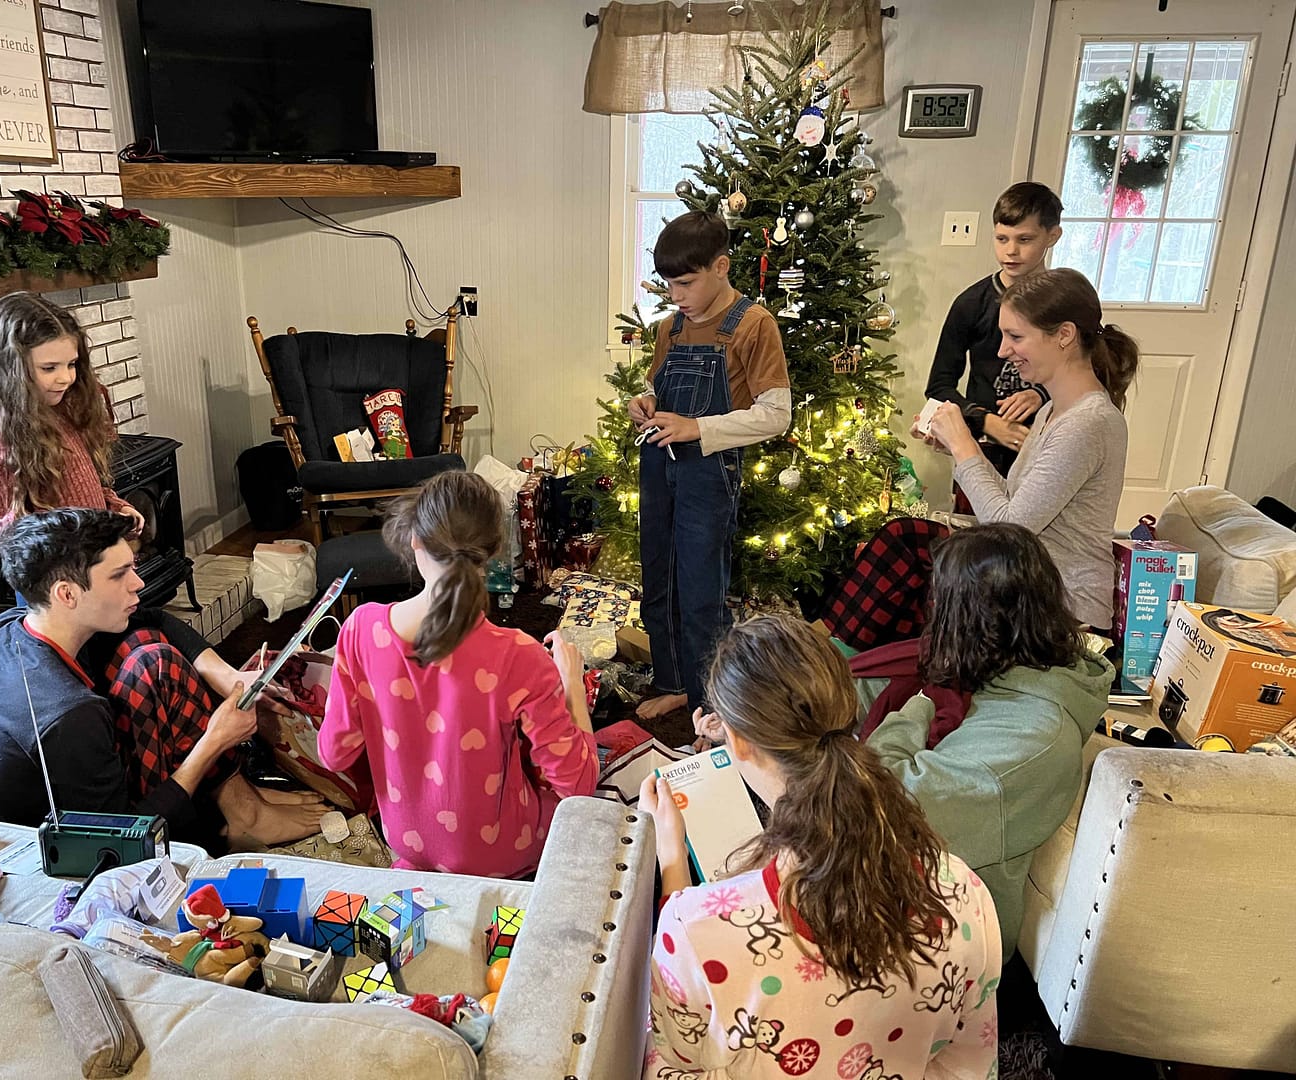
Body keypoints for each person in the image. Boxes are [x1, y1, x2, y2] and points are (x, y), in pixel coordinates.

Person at [641, 614, 999, 1079]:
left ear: (738, 743)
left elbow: (673, 1065)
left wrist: (672, 862)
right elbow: (970, 1062)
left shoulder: (695, 925)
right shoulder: (965, 894)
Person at [0, 508, 328, 850]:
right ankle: (234, 814)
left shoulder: (7, 627)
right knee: (153, 663)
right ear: (67, 594)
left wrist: (227, 675)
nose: (138, 583)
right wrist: (214, 741)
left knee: (150, 652)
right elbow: (122, 842)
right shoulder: (70, 714)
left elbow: (155, 620)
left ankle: (243, 804)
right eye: (119, 575)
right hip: (38, 857)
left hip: (74, 802)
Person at [318, 471, 598, 878]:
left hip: (406, 842)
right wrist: (571, 683)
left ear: (415, 537)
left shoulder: (360, 629)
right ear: (493, 550)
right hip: (500, 854)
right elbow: (578, 786)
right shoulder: (519, 654)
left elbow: (334, 753)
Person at [860, 523, 1112, 962]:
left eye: (940, 602)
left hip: (939, 948)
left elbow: (875, 797)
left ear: (966, 616)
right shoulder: (1009, 672)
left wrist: (919, 705)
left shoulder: (1027, 738)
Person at [627, 211, 791, 723]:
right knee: (659, 574)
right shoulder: (670, 328)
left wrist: (699, 428)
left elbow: (775, 415)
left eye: (686, 282)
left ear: (721, 267)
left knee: (701, 587)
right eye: (669, 284)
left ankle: (710, 702)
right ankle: (674, 681)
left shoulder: (753, 325)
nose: (676, 294)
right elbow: (660, 386)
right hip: (659, 461)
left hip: (708, 471)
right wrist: (645, 400)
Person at [919, 267, 1137, 630]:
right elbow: (1010, 501)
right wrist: (959, 447)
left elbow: (1010, 529)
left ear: (1064, 335)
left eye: (1015, 336)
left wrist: (964, 445)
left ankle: (828, 671)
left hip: (1064, 612)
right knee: (911, 541)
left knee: (908, 545)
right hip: (1024, 592)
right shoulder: (1052, 410)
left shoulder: (1089, 422)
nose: (1003, 351)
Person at [0, 291, 144, 544]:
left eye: (71, 364)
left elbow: (77, 490)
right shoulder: (0, 430)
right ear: (11, 367)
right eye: (49, 368)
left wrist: (114, 508)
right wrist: (76, 531)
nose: (66, 378)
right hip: (57, 575)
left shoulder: (64, 411)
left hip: (89, 561)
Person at [925, 182, 1064, 498]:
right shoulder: (970, 304)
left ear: (1052, 236)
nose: (1011, 251)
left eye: (1025, 240)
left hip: (1048, 448)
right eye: (1002, 239)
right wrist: (987, 422)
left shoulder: (1067, 304)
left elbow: (1089, 374)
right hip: (982, 450)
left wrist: (1042, 394)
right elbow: (938, 386)